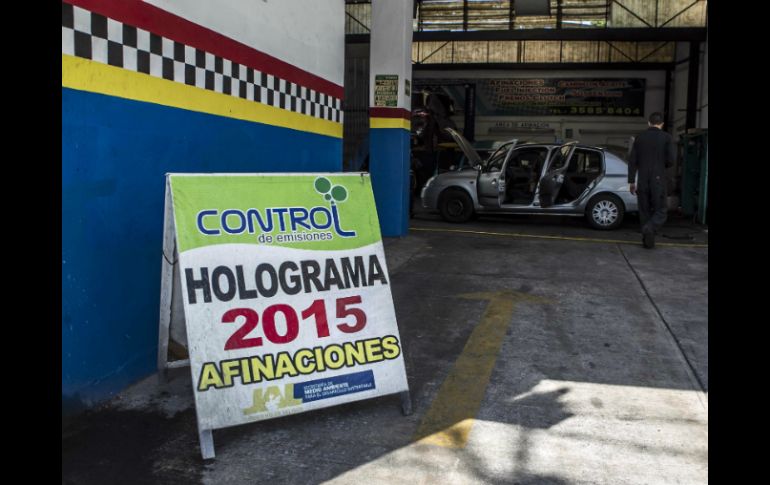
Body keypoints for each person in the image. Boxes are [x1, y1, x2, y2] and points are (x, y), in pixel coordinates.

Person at [628, 112, 676, 249]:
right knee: (661, 209)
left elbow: (632, 161)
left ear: (648, 123)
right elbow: (671, 160)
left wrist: (631, 181)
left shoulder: (639, 138)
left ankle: (648, 241)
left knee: (644, 210)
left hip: (642, 179)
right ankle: (650, 228)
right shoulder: (667, 137)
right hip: (658, 179)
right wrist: (661, 165)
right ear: (662, 124)